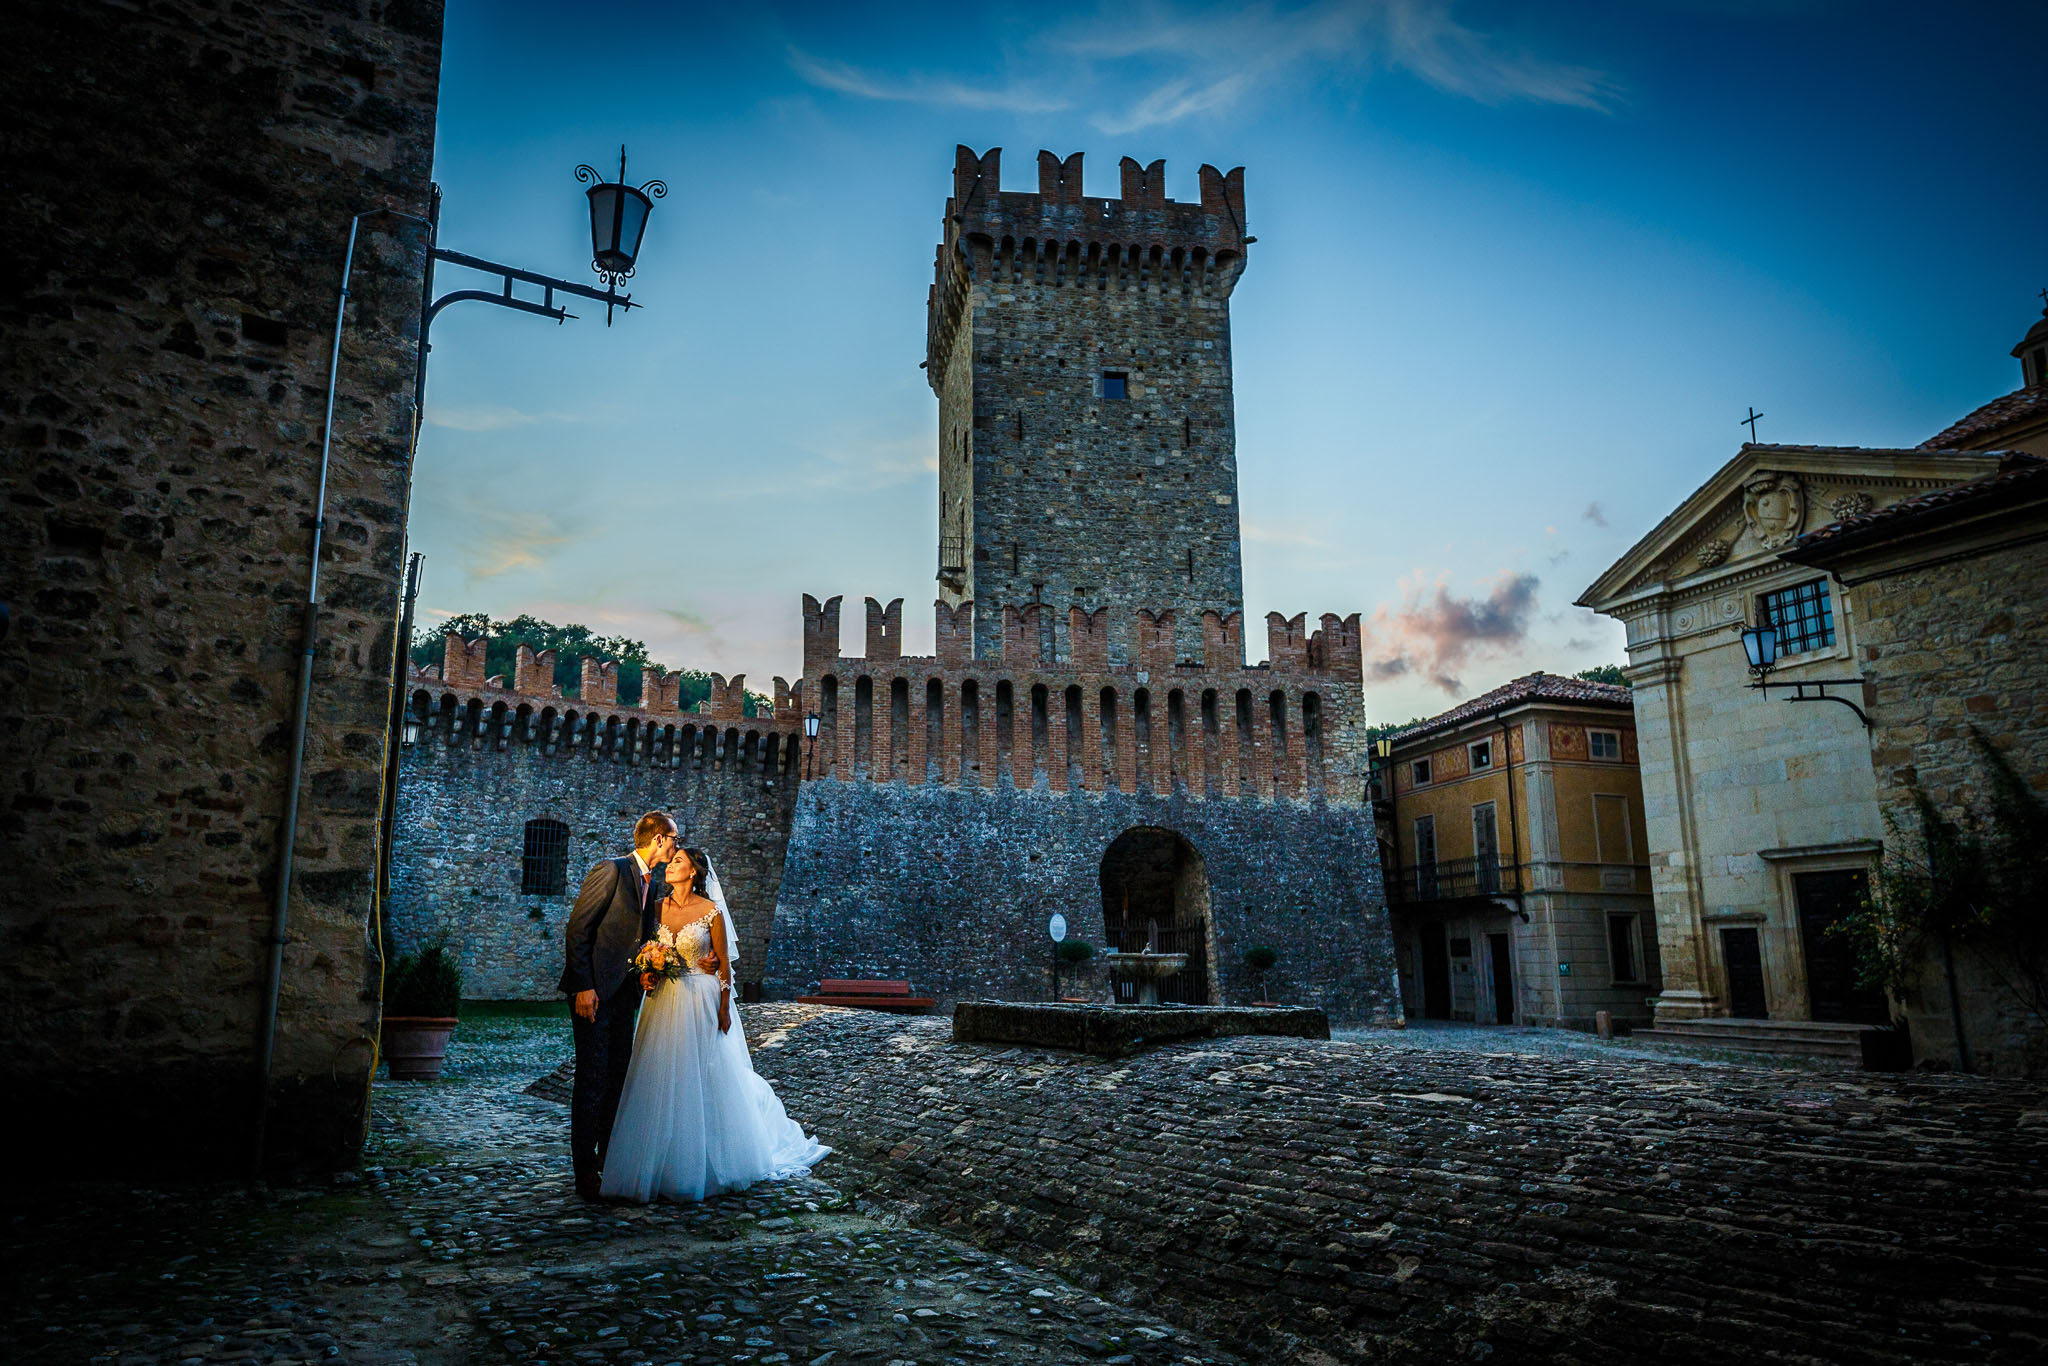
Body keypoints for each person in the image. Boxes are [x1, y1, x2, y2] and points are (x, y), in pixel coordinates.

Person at [599, 846, 830, 1203]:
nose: (670, 865)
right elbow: (644, 949)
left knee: (701, 1074)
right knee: (657, 1074)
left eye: (678, 862)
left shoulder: (711, 911)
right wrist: (646, 973)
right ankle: (655, 1162)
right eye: (672, 860)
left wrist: (723, 1008)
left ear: (693, 872)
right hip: (661, 1002)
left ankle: (701, 1163)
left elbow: (723, 965)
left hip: (699, 999)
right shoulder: (656, 908)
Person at [559, 810, 677, 1202]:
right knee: (591, 1080)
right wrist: (583, 987)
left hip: (624, 999)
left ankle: (609, 1160)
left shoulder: (650, 883)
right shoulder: (611, 870)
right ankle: (584, 1171)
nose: (675, 847)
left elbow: (633, 943)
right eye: (673, 839)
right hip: (594, 997)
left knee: (616, 1081)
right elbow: (578, 929)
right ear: (658, 839)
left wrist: (645, 972)